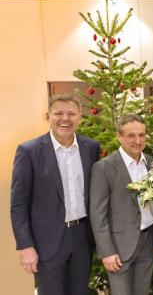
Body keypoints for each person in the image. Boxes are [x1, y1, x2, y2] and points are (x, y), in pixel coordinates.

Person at [11, 94, 100, 295]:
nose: (65, 119)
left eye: (71, 114)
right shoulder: (29, 151)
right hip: (47, 241)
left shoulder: (91, 148)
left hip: (82, 237)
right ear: (48, 116)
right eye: (58, 113)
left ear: (79, 117)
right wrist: (25, 246)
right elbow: (18, 204)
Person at [90, 114, 153, 295]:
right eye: (131, 136)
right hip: (119, 247)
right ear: (119, 136)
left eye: (142, 135)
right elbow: (98, 214)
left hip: (148, 242)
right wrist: (107, 252)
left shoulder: (152, 163)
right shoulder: (104, 167)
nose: (138, 141)